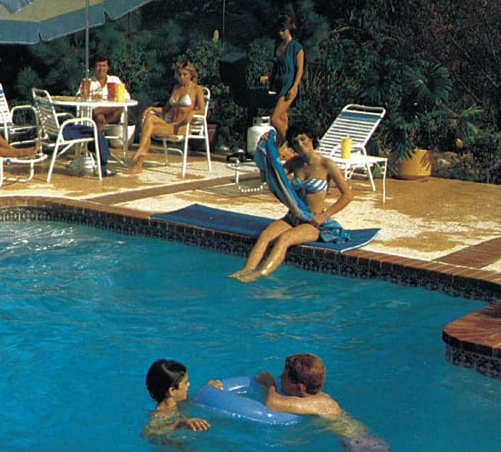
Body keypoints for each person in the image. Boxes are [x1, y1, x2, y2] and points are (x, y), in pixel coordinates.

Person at [255, 354, 488, 452]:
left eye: (284, 376)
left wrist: (269, 383)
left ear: (301, 387)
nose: (280, 377)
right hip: (362, 442)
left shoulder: (316, 404)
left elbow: (272, 403)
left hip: (362, 446)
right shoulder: (319, 399)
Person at [229, 122, 352, 281]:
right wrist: (264, 148)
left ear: (312, 139)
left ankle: (260, 274)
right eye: (295, 142)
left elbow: (348, 195)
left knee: (284, 239)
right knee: (265, 235)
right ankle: (246, 270)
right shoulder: (295, 163)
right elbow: (272, 176)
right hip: (292, 217)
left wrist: (324, 215)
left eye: (303, 139)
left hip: (313, 221)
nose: (300, 145)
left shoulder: (327, 165)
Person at [127, 61, 206, 175]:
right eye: (179, 74)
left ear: (191, 75)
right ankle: (141, 153)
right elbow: (166, 109)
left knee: (148, 130)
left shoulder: (197, 89)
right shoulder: (176, 88)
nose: (181, 77)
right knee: (149, 117)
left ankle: (140, 159)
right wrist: (152, 108)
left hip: (183, 126)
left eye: (185, 74)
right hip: (171, 124)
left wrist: (193, 113)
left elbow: (202, 110)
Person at [143, 358, 222, 435]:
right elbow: (149, 433)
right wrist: (178, 423)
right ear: (172, 390)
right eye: (185, 382)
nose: (188, 384)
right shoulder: (159, 414)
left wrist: (207, 389)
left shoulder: (181, 401)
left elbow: (195, 399)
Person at [259, 15, 304, 144]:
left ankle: (291, 144)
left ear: (289, 29)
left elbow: (300, 70)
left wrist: (294, 87)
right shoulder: (278, 46)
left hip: (289, 85)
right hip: (278, 84)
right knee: (283, 120)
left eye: (283, 30)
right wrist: (269, 77)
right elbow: (276, 67)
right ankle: (283, 146)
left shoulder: (296, 47)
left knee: (274, 118)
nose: (280, 33)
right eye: (278, 30)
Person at [80, 55, 131, 131]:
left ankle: (99, 121)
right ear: (94, 67)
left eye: (104, 66)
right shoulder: (87, 82)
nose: (101, 69)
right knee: (99, 117)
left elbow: (127, 97)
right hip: (91, 115)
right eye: (98, 66)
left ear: (108, 67)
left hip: (112, 114)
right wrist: (91, 96)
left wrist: (112, 97)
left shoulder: (114, 80)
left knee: (121, 107)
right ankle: (100, 140)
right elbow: (79, 97)